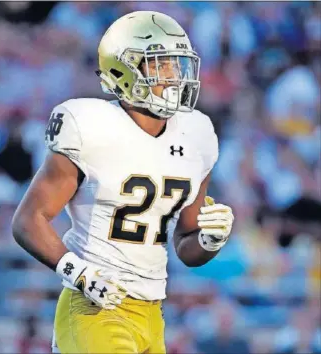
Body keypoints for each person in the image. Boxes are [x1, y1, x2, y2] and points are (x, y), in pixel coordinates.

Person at [12, 11, 234, 354]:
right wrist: (78, 271)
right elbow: (28, 220)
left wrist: (209, 238)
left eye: (178, 64)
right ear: (124, 70)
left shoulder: (197, 134)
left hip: (151, 312)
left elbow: (187, 244)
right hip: (95, 308)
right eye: (162, 64)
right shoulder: (91, 126)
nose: (175, 76)